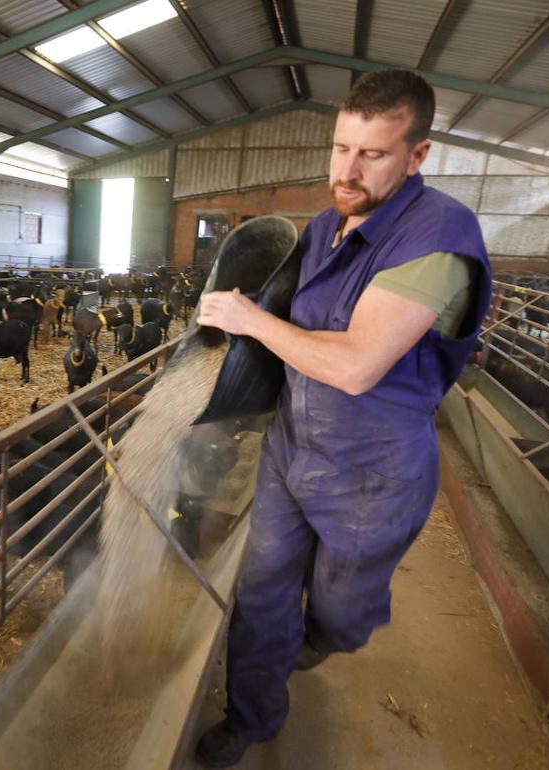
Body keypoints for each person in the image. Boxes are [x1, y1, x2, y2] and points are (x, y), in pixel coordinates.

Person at [193, 69, 492, 767]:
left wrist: (252, 319)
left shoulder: (439, 236)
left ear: (417, 156)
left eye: (373, 154)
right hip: (292, 445)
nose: (347, 170)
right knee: (263, 589)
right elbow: (282, 327)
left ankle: (324, 637)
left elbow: (357, 364)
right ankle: (251, 716)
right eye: (339, 148)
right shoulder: (324, 226)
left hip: (371, 469)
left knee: (339, 610)